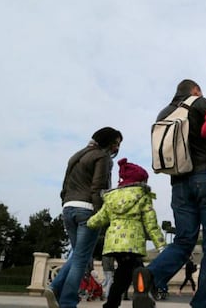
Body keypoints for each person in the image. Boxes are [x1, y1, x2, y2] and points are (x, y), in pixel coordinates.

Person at [132, 79, 206, 308]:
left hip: (179, 184)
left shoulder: (164, 114)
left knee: (183, 241)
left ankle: (150, 276)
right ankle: (200, 304)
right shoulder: (201, 104)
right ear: (195, 90)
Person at [44, 126, 123, 308]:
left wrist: (66, 202)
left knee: (79, 255)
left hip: (69, 208)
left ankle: (54, 287)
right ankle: (67, 302)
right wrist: (100, 214)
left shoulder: (77, 156)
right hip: (87, 209)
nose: (116, 148)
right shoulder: (102, 158)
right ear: (108, 142)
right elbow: (98, 188)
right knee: (81, 259)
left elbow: (64, 186)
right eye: (116, 143)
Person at [87, 158, 166, 308]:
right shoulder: (143, 195)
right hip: (133, 244)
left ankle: (132, 299)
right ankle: (136, 298)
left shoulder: (111, 198)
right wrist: (161, 245)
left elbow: (99, 218)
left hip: (114, 244)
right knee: (131, 274)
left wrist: (88, 223)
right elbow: (151, 224)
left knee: (129, 272)